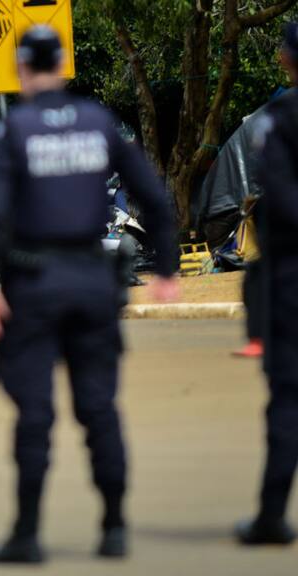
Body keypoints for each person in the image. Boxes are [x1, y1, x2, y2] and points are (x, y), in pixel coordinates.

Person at [0, 25, 179, 565]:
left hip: (33, 285)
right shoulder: (98, 121)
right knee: (100, 408)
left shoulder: (14, 132)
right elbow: (155, 198)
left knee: (35, 414)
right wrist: (168, 271)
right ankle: (113, 528)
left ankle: (28, 534)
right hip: (93, 282)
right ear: (62, 64)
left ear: (20, 68)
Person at [236, 23, 298, 546]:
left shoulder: (278, 120)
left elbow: (276, 196)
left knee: (288, 400)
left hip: (291, 276)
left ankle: (271, 516)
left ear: (287, 58)